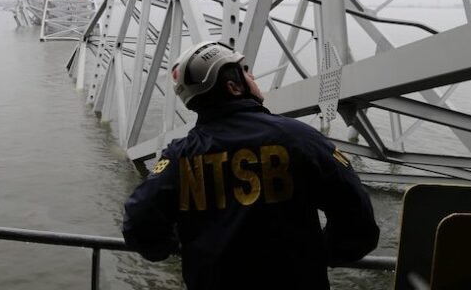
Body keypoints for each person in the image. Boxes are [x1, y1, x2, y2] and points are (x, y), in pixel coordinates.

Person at [122, 41, 379, 290]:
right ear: (234, 87)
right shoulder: (299, 138)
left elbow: (138, 224)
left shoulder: (179, 157)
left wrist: (176, 247)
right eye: (245, 71)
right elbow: (358, 220)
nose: (252, 76)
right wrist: (320, 255)